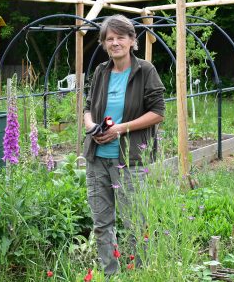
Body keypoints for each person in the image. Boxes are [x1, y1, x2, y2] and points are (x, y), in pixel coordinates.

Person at [83, 14, 165, 275]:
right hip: (98, 159)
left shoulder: (145, 70)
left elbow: (158, 112)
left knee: (134, 222)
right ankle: (111, 274)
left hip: (129, 160)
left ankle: (136, 273)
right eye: (109, 38)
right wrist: (90, 126)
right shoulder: (100, 71)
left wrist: (119, 129)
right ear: (104, 44)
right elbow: (88, 106)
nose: (114, 42)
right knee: (101, 223)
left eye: (120, 37)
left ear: (132, 40)